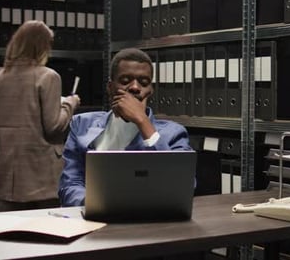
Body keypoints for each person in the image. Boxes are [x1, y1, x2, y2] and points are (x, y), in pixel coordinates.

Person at [58, 47, 193, 207]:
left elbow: (181, 187)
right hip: (94, 219)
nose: (135, 87)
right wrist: (93, 205)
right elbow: (70, 183)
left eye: (143, 83)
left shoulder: (174, 134)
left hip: (149, 220)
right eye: (125, 80)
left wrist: (143, 122)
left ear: (150, 91)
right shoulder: (81, 124)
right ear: (110, 87)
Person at [0, 20, 80, 211]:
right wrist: (70, 104)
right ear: (42, 46)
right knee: (47, 233)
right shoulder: (48, 76)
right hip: (42, 175)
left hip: (7, 176)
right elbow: (53, 126)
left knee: (6, 234)